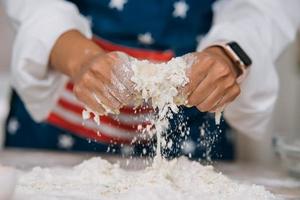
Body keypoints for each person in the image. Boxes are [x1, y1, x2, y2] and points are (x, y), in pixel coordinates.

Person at [2, 0, 300, 159]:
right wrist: (81, 60)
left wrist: (228, 54)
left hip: (194, 130)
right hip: (56, 131)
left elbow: (265, 6)